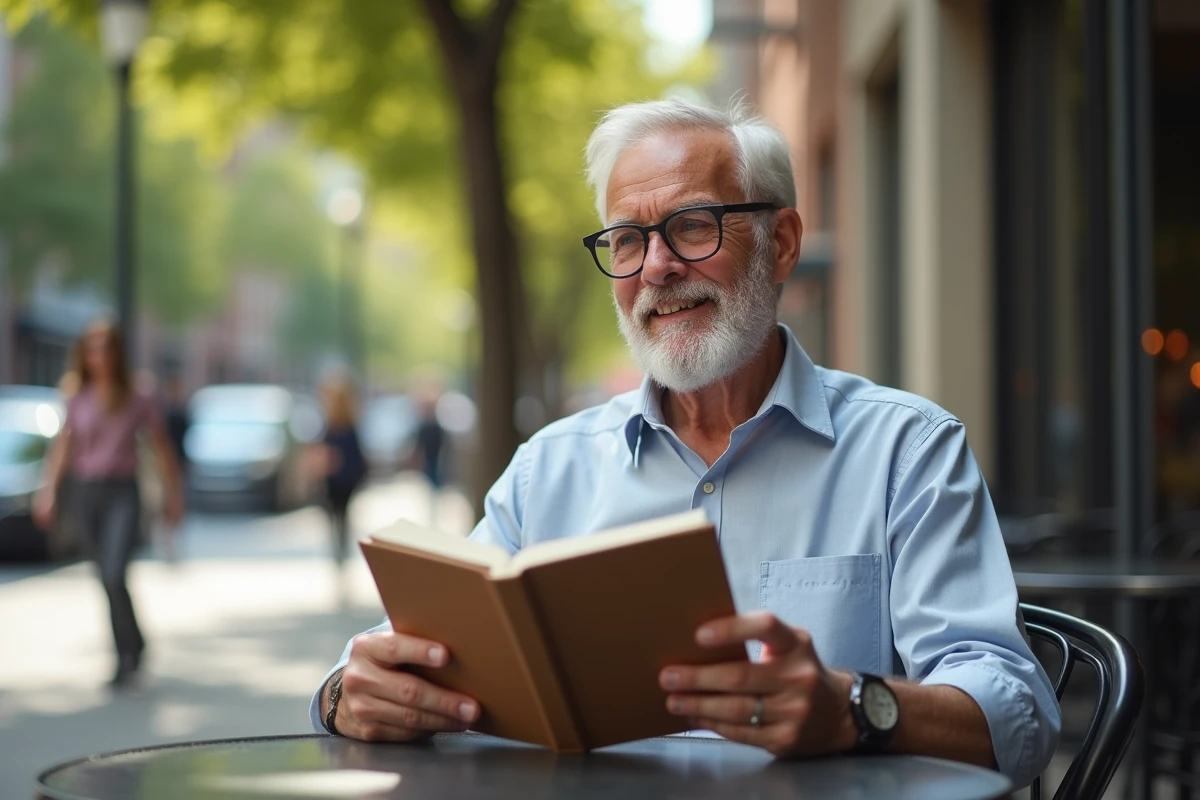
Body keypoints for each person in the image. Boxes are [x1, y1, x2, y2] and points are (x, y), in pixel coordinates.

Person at [310, 100, 1060, 787]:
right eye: (627, 240)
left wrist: (853, 706)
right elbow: (407, 649)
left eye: (693, 225)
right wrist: (349, 693)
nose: (657, 267)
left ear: (782, 242)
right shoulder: (550, 470)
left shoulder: (906, 451)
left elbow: (1016, 714)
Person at [34, 319, 184, 688]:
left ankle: (125, 658)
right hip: (86, 493)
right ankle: (135, 642)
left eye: (106, 347)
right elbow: (63, 447)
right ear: (84, 354)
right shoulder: (75, 394)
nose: (99, 355)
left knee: (116, 572)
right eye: (92, 348)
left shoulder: (138, 393)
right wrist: (48, 490)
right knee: (105, 577)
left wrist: (173, 495)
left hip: (122, 492)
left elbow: (160, 446)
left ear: (117, 353)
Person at [316, 376, 367, 567]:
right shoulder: (334, 424)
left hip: (343, 478)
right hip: (337, 478)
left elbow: (355, 454)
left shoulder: (342, 425)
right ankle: (339, 549)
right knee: (338, 514)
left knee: (340, 514)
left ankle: (340, 549)